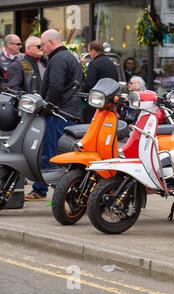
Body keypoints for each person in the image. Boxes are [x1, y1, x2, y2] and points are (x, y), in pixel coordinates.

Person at [25, 29, 84, 201]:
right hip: (69, 112)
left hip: (59, 113)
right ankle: (59, 192)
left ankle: (48, 191)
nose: (42, 48)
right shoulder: (70, 57)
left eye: (42, 45)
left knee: (52, 154)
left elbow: (55, 87)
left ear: (51, 43)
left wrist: (46, 106)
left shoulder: (58, 59)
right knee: (62, 155)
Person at [82, 40, 118, 123]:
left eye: (89, 51)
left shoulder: (94, 64)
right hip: (109, 104)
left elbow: (89, 84)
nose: (90, 54)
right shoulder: (111, 63)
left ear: (93, 51)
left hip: (96, 104)